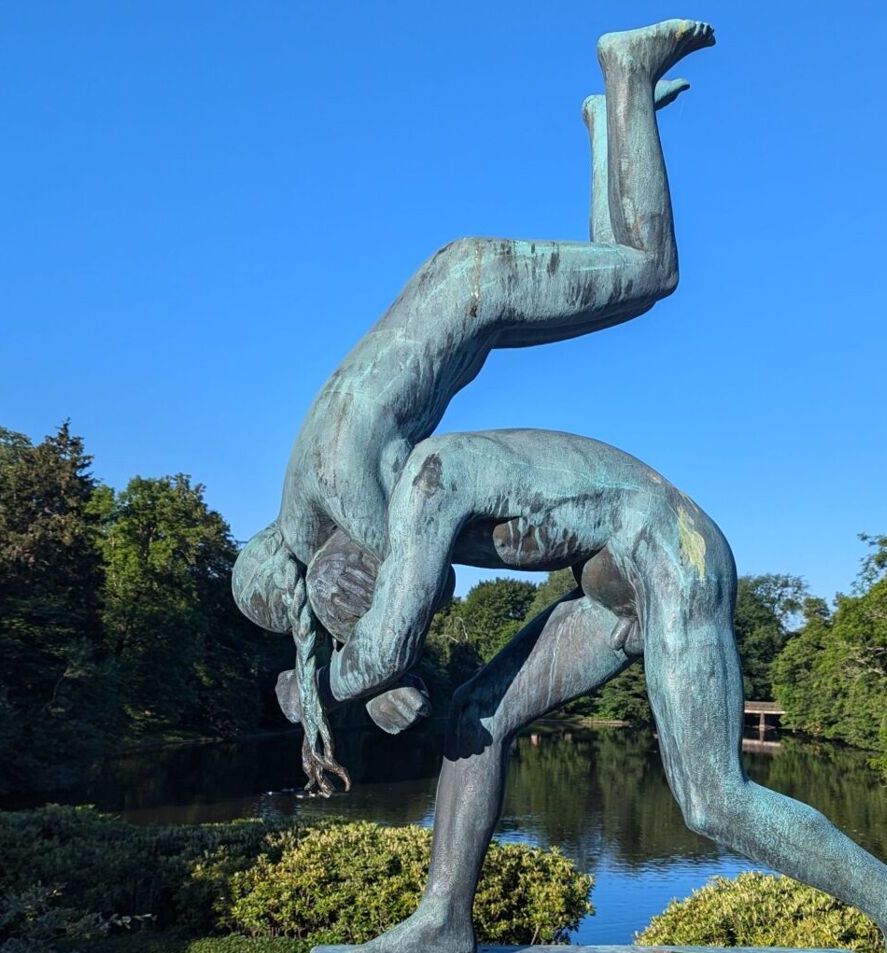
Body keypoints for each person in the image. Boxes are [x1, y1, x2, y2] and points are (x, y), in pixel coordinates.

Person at [232, 19, 717, 793]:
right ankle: (608, 124)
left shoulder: (347, 495)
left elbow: (423, 583)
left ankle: (627, 74)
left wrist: (344, 682)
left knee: (648, 270)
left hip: (472, 294)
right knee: (618, 275)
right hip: (459, 295)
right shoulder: (307, 481)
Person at [320, 426, 887, 953]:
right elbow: (391, 643)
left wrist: (317, 689)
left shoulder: (428, 480)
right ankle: (443, 921)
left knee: (712, 801)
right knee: (474, 716)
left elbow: (387, 647)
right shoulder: (409, 501)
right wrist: (366, 671)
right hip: (606, 590)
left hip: (672, 556)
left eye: (365, 608)